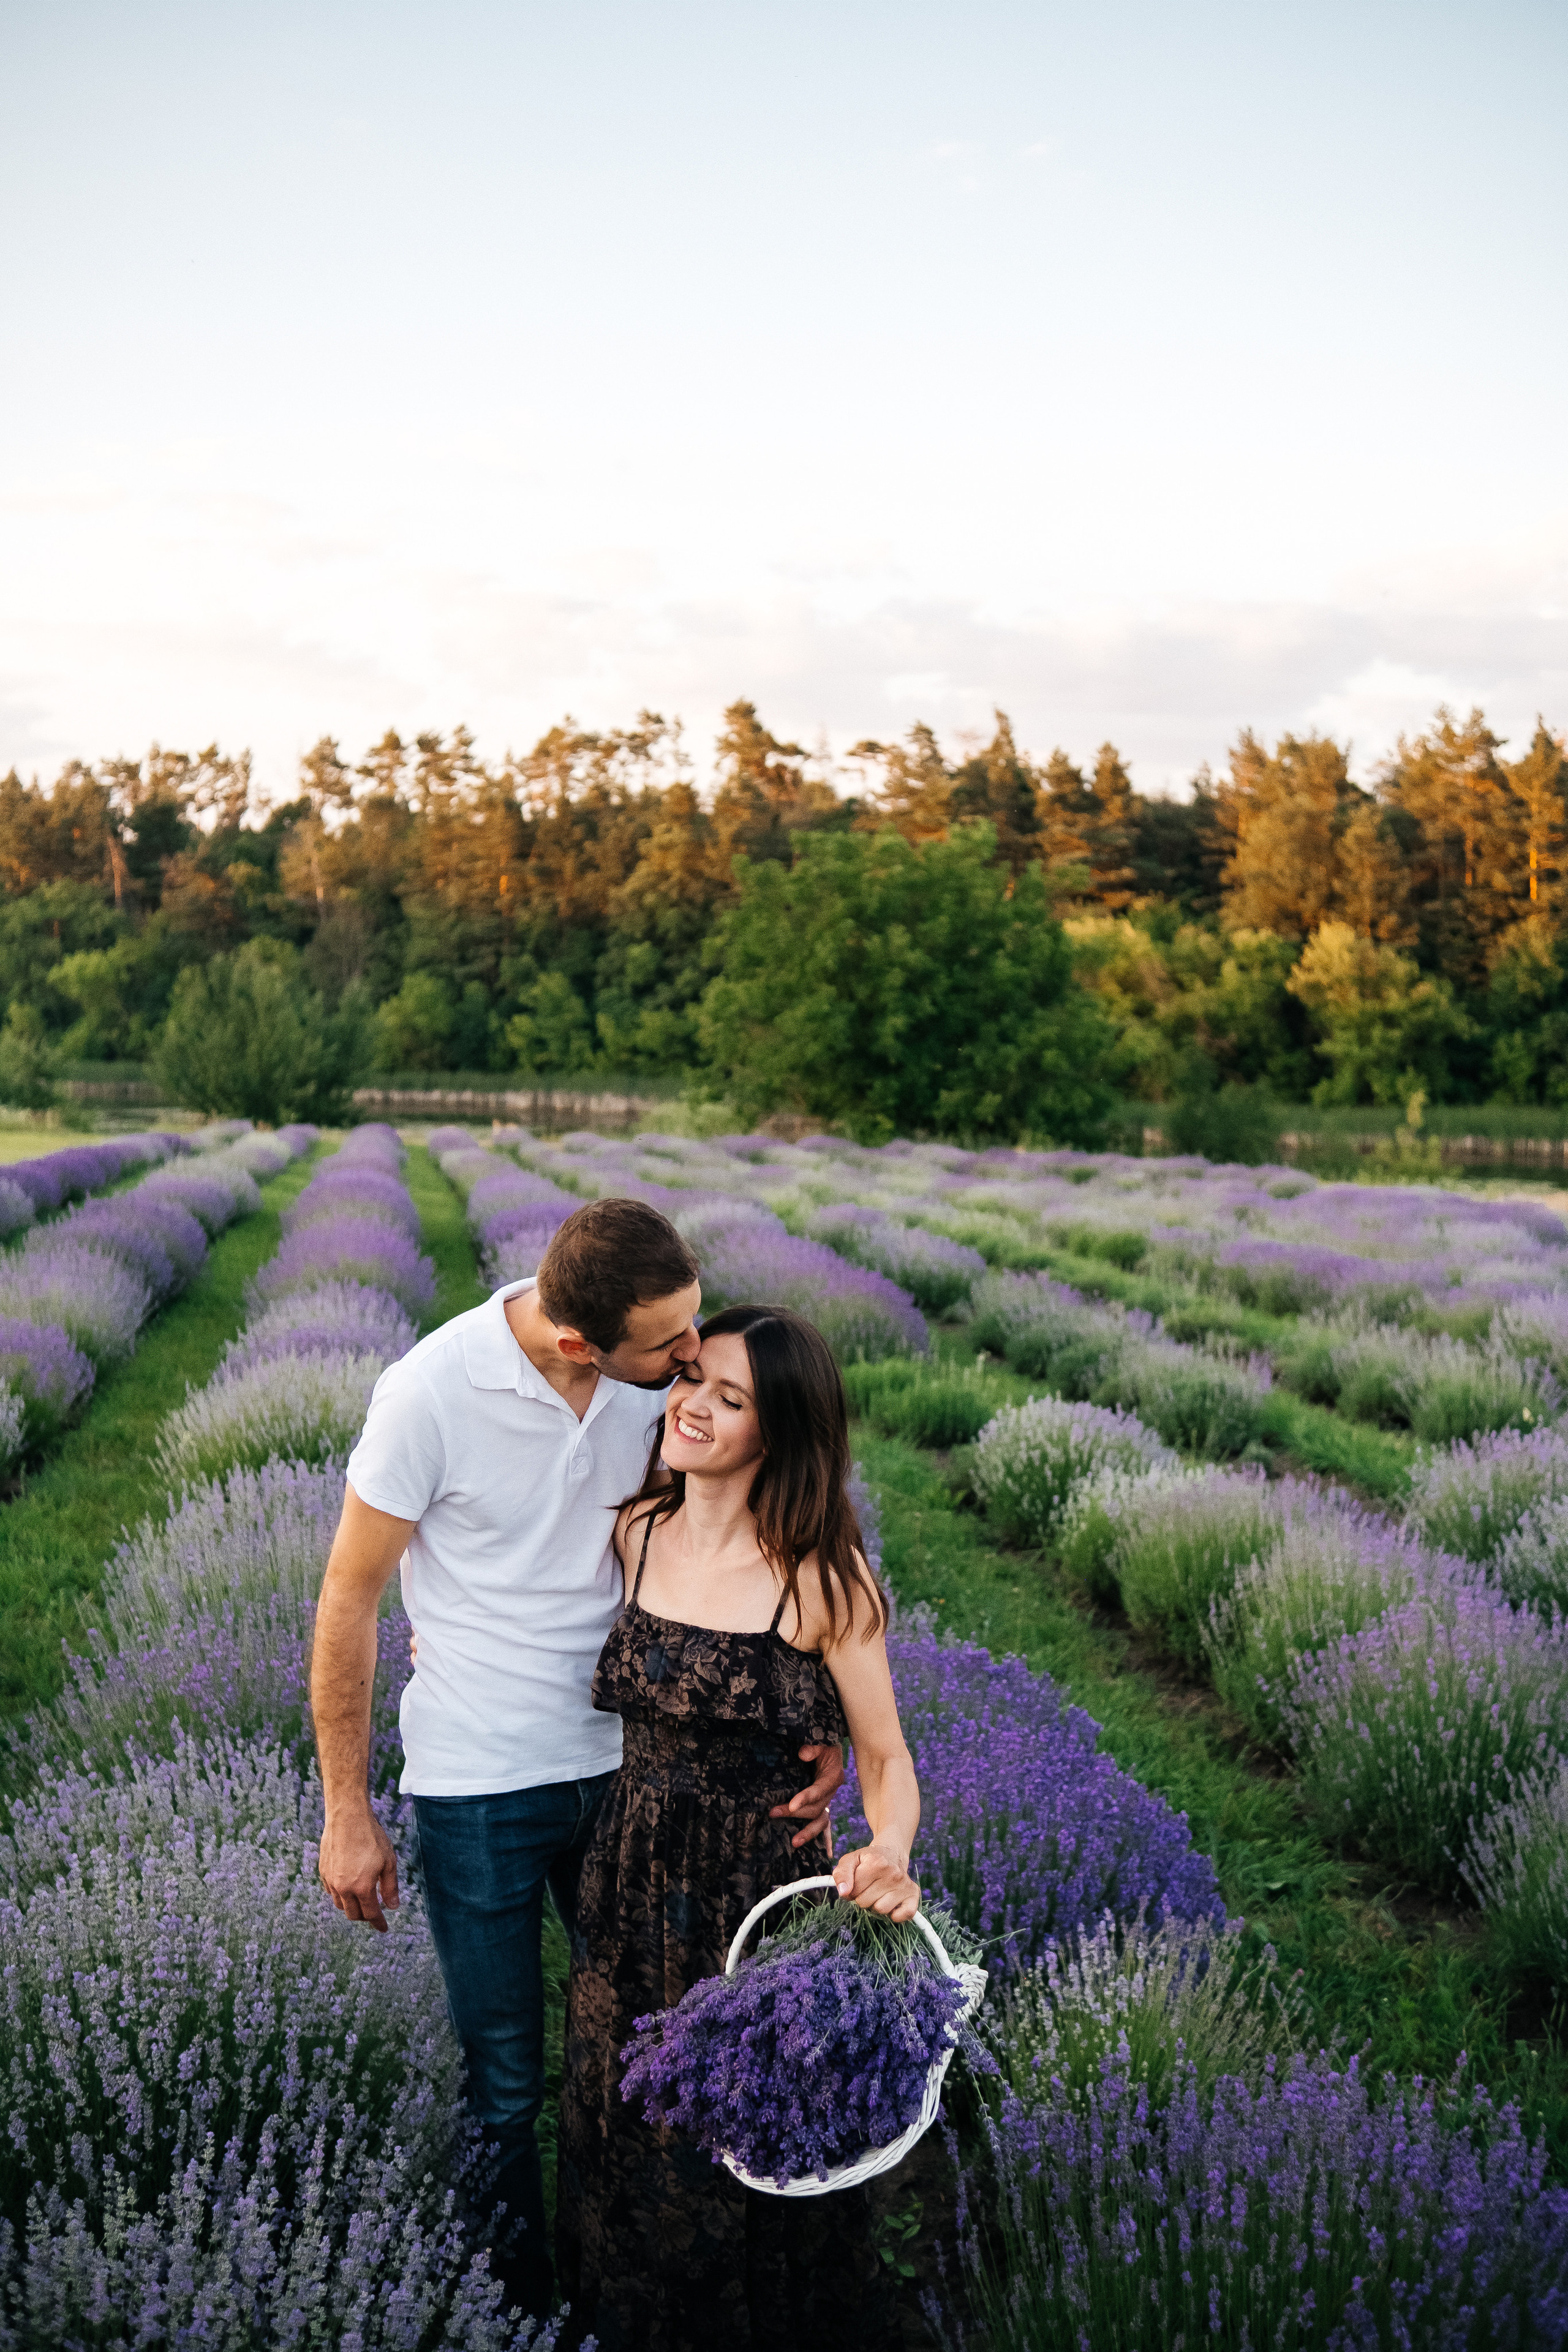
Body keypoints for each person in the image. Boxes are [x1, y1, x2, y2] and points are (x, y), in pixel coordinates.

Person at [311, 1200, 845, 2326]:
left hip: (636, 1772)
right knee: (506, 2087)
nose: (694, 1359)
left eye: (694, 1328)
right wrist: (345, 1809)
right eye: (669, 1345)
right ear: (576, 1341)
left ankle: (657, 2287)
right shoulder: (429, 1394)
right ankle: (512, 2310)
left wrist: (813, 1717)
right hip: (481, 1784)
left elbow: (760, 1530)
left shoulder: (662, 1394)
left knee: (650, 2052)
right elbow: (350, 1596)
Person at [557, 1303, 919, 2352]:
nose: (695, 1409)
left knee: (748, 2139)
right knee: (620, 2123)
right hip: (626, 1878)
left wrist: (885, 1847)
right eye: (689, 1382)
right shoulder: (636, 1531)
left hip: (750, 1902)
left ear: (782, 1431)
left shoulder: (819, 1579)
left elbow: (890, 1756)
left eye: (732, 1399)